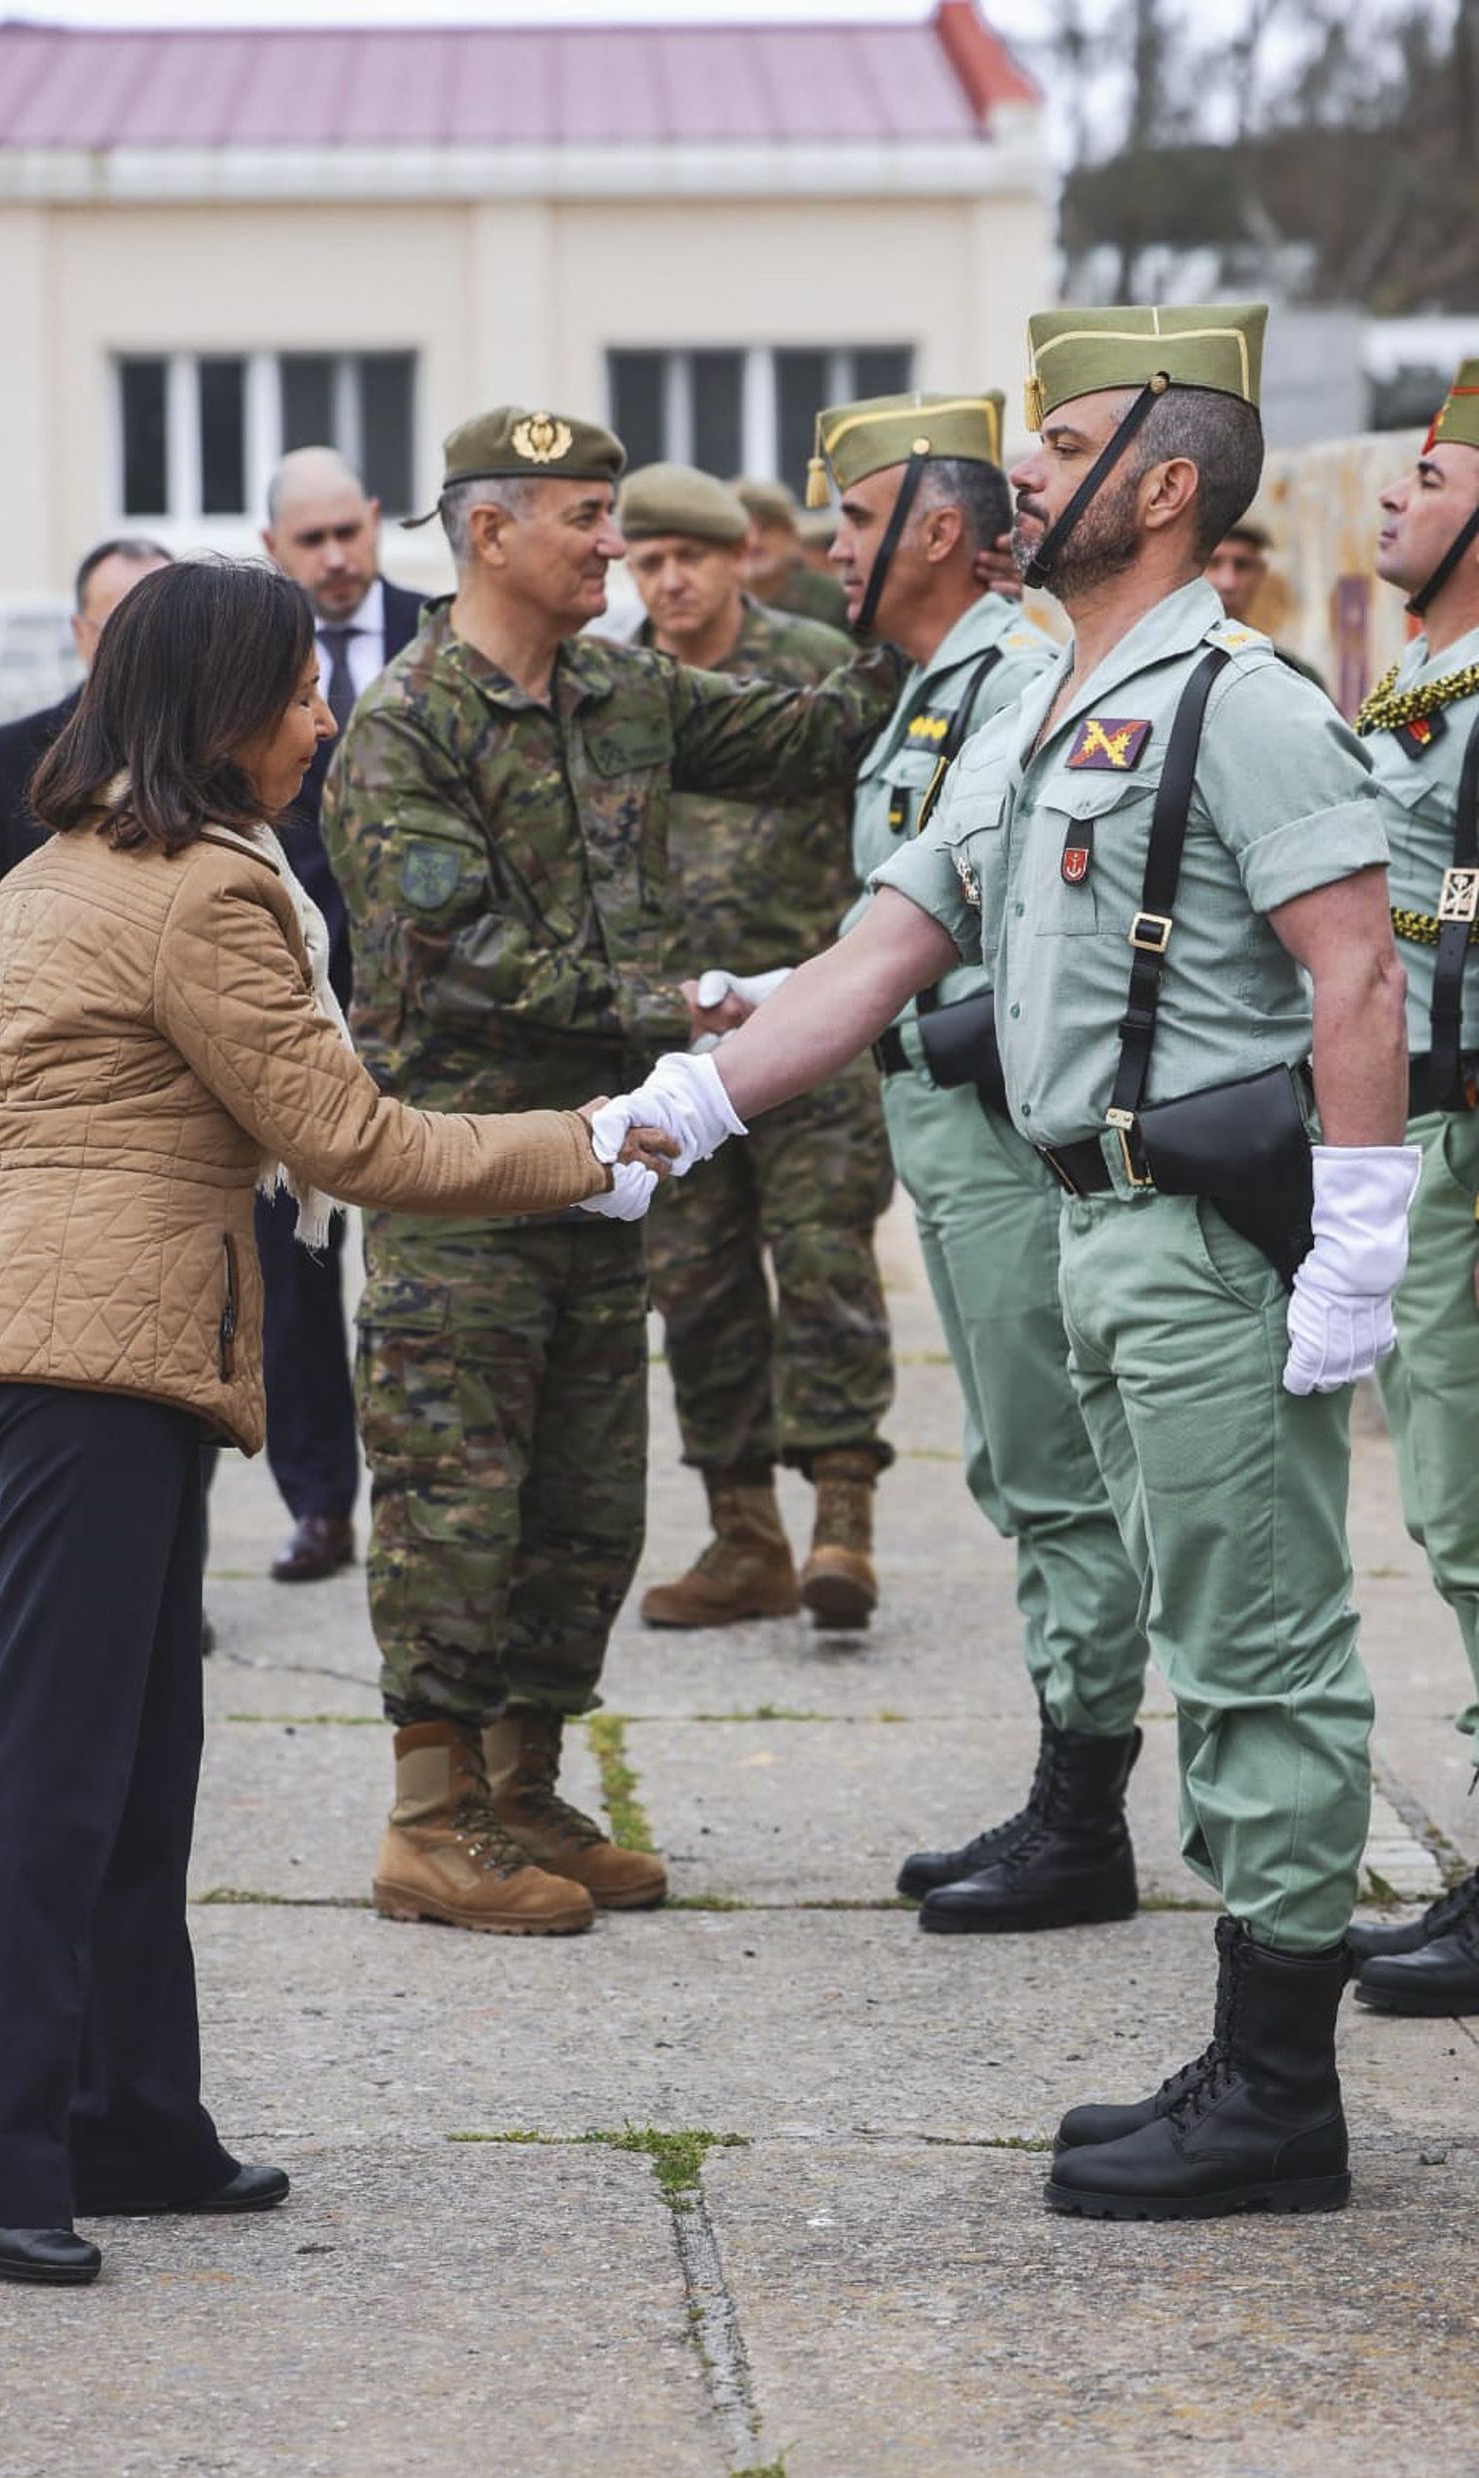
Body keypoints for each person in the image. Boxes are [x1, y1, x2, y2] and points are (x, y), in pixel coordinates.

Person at [598, 304, 1419, 2223]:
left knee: (1261, 1655)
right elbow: (887, 950)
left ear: (1157, 483)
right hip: (1093, 1227)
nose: (1021, 474)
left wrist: (1361, 1246)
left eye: (1059, 445)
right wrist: (681, 1113)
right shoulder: (1047, 704)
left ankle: (1283, 2095)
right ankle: (1249, 2049)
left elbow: (1358, 969)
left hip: (1212, 1242)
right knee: (1195, 1627)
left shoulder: (1249, 698)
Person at [0, 557, 661, 2288]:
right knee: (55, 1770)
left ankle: (132, 2120)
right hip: (103, 1353)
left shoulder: (57, 869)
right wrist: (596, 1142)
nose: (325, 717)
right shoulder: (202, 897)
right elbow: (357, 1145)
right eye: (299, 694)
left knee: (137, 1754)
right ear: (219, 712)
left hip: (85, 1340)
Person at [324, 405, 904, 1938]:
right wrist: (691, 1008)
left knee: (586, 1500)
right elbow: (455, 961)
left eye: (613, 516)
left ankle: (526, 1789)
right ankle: (426, 1821)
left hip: (605, 1168)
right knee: (458, 1498)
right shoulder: (410, 726)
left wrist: (920, 610)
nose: (613, 545)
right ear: (487, 532)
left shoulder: (619, 689)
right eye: (584, 518)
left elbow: (806, 742)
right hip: (465, 1179)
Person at [818, 387, 1150, 1934]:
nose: (830, 550)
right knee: (1025, 1470)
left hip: (1004, 1135)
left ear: (934, 533)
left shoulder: (1017, 669)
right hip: (946, 1137)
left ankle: (1084, 1816)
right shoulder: (938, 680)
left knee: (1058, 1474)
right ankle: (1067, 1792)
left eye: (851, 520)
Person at [619, 461, 895, 1631]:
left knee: (823, 1260)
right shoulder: (612, 686)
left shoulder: (809, 673)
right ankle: (744, 1536)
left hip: (813, 1026)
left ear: (742, 557)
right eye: (647, 559)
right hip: (673, 1044)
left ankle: (842, 1520)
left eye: (690, 556)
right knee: (697, 1285)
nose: (669, 578)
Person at [1346, 359, 1479, 2018]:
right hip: (1425, 1140)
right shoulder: (1420, 685)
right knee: (1448, 1513)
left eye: (1436, 476)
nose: (1396, 493)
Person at [255, 449, 425, 1584]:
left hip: (425, 1003)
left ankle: (427, 1490)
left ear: (373, 521)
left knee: (423, 1253)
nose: (333, 557)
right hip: (291, 1005)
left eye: (345, 531)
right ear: (274, 549)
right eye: (307, 541)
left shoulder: (440, 632)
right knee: (298, 1265)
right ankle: (320, 1501)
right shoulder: (253, 657)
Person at [0, 537, 172, 1126]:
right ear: (81, 631)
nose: (140, 643)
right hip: (54, 1111)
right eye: (120, 621)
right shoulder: (6, 760)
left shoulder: (229, 759)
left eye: (159, 620)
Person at [1206, 518, 1328, 689]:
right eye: (1213, 563)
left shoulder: (1294, 675)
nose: (1228, 582)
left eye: (1242, 566)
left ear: (1261, 572)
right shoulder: (1167, 661)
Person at [735, 479, 850, 630]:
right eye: (743, 529)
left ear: (792, 535)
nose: (754, 542)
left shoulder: (833, 600)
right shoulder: (715, 599)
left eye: (766, 529)